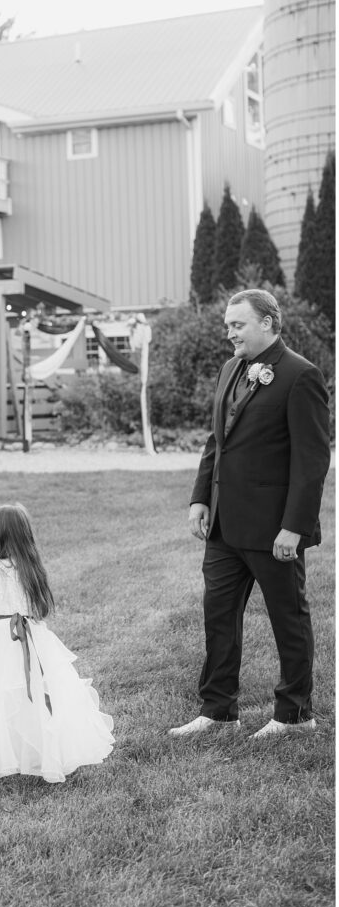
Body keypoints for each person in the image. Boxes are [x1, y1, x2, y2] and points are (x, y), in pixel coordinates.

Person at [170, 290, 331, 740]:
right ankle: (219, 709)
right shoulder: (230, 369)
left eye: (237, 325)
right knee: (218, 617)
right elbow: (215, 439)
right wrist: (200, 497)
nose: (229, 333)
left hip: (274, 529)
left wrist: (294, 528)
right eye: (228, 325)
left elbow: (312, 460)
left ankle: (295, 714)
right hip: (223, 526)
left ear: (267, 322)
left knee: (288, 618)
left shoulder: (301, 376)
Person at [0, 502, 114, 782]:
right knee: (36, 692)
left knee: (2, 695)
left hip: (4, 639)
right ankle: (42, 750)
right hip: (35, 637)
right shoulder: (31, 566)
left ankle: (12, 752)